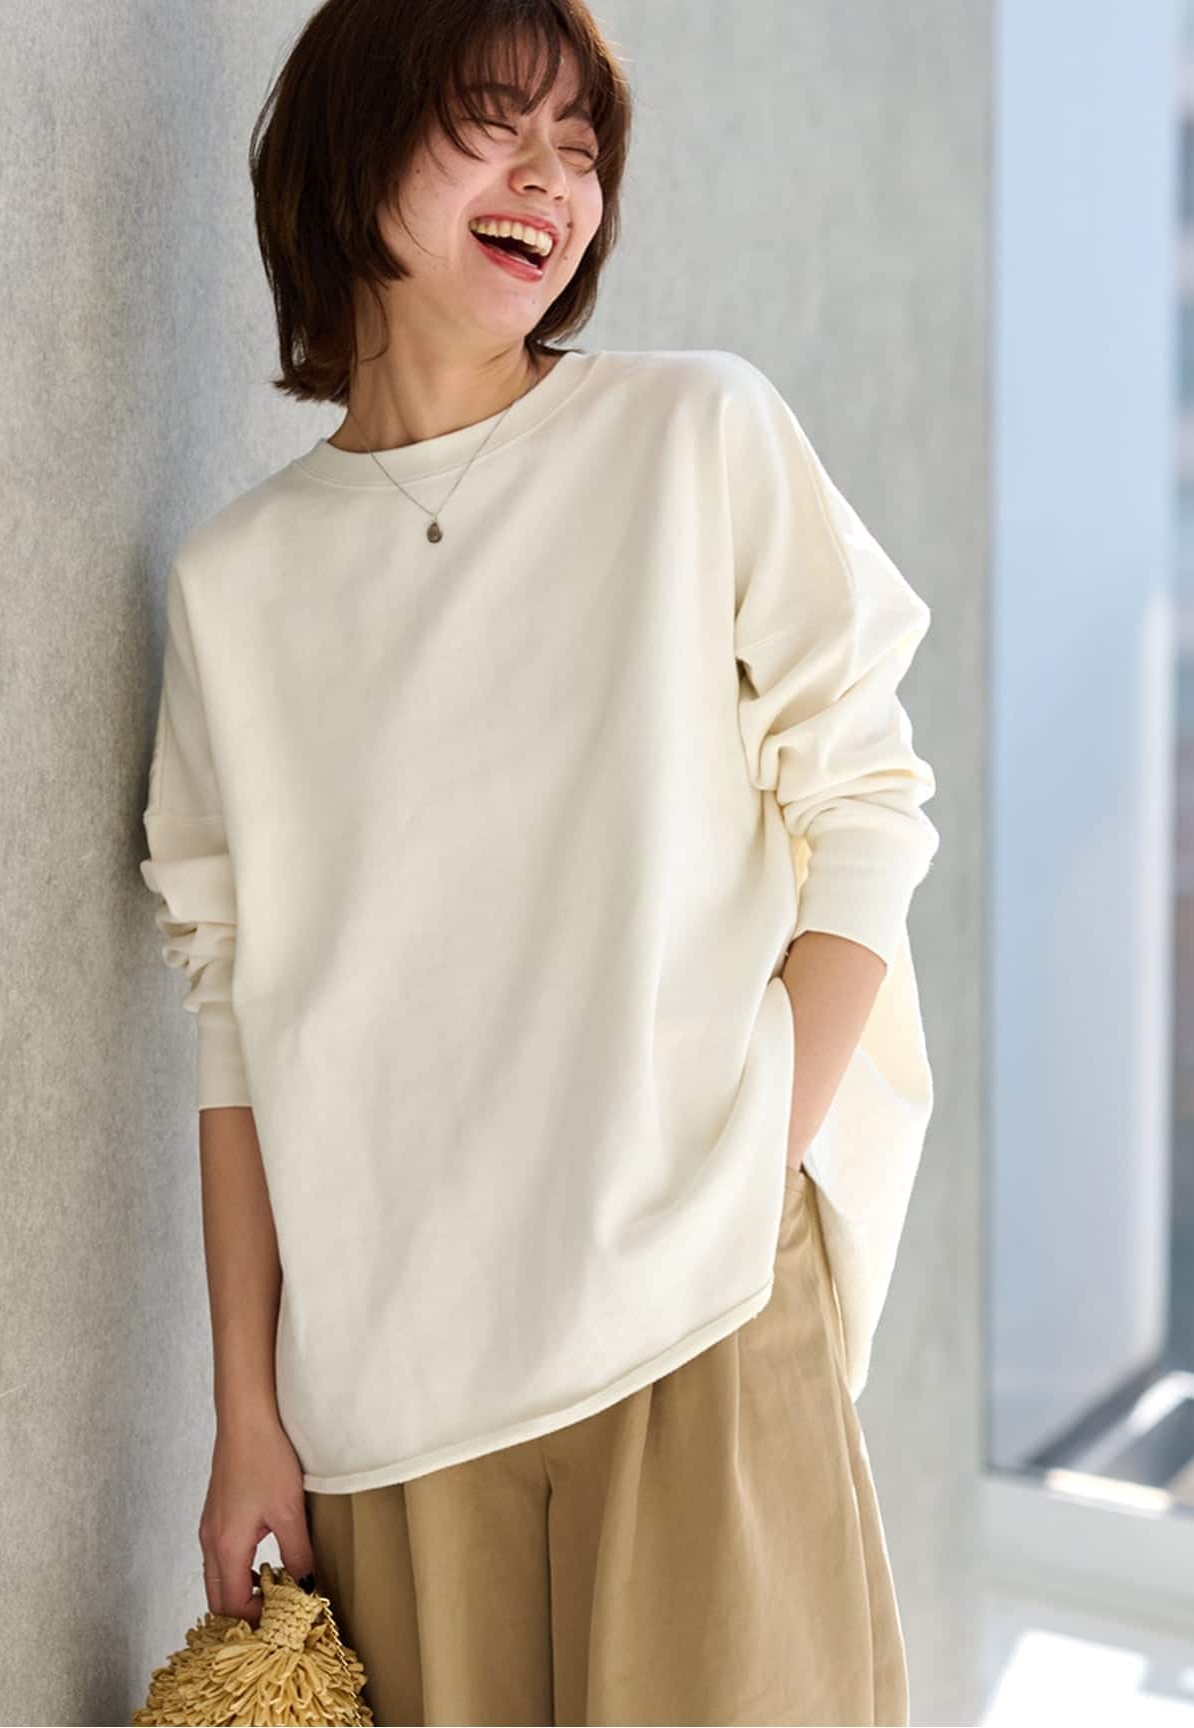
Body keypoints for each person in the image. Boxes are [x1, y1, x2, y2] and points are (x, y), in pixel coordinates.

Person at [138, 0, 940, 1721]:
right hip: (394, 1410)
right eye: (495, 124)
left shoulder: (695, 437)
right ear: (354, 145)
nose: (550, 183)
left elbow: (870, 806)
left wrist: (744, 1173)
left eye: (580, 149)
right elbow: (234, 1022)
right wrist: (246, 1414)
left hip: (698, 1332)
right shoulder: (234, 589)